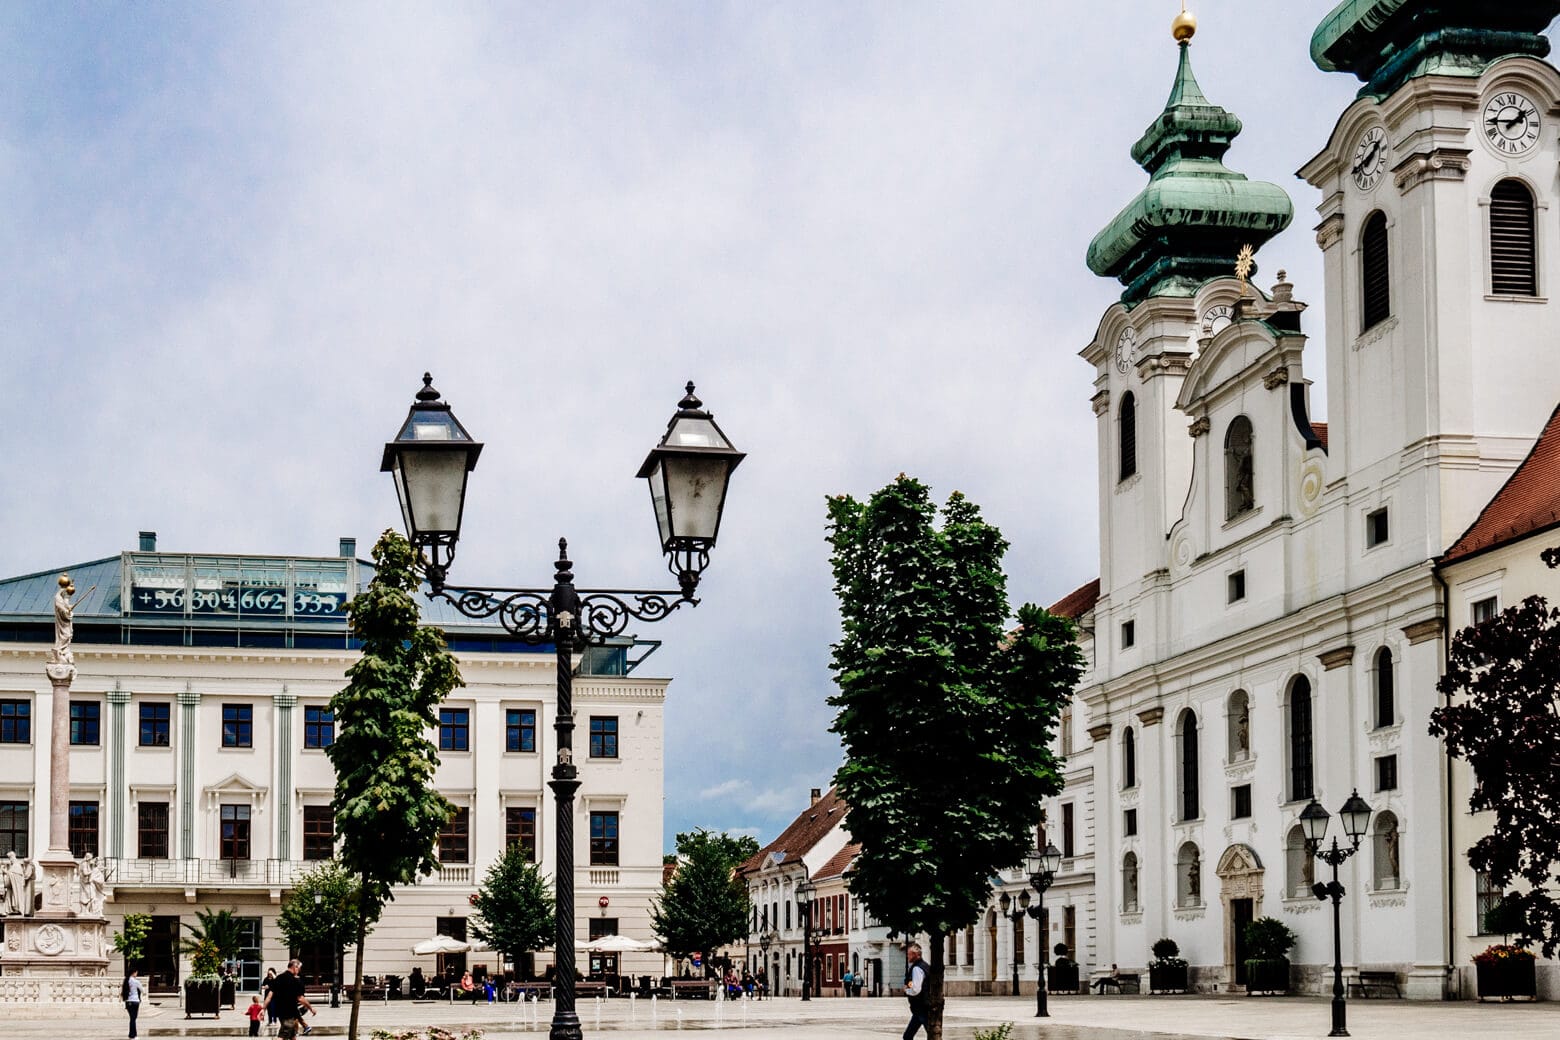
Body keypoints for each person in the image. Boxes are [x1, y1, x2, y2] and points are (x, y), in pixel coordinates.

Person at [265, 958, 316, 1038]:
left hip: (280, 1011)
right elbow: (300, 999)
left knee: (292, 1035)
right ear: (295, 967)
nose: (299, 970)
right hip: (289, 1013)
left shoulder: (279, 978)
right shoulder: (295, 981)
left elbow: (269, 996)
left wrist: (263, 1009)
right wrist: (311, 1008)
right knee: (283, 1035)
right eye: (299, 968)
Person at [902, 942, 929, 1040]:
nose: (907, 956)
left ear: (916, 955)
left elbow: (916, 989)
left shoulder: (917, 968)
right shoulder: (924, 965)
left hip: (921, 1007)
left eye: (909, 954)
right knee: (907, 1036)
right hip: (920, 1009)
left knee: (931, 1034)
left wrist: (907, 990)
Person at [122, 967, 143, 1039]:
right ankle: (133, 1035)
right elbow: (142, 990)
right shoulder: (136, 981)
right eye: (136, 972)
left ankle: (131, 1034)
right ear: (134, 973)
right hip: (135, 1001)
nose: (137, 974)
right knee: (133, 1019)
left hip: (128, 1001)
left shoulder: (126, 980)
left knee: (132, 1018)